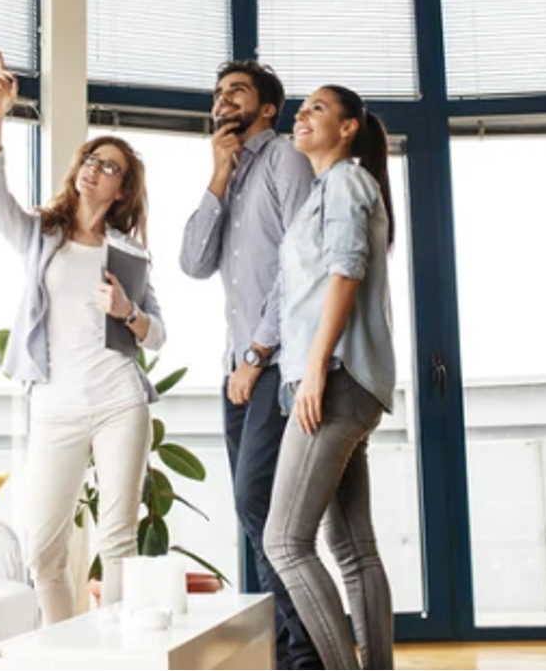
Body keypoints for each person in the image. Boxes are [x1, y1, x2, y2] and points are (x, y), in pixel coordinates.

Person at [0, 51, 166, 625]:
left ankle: (116, 659)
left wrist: (127, 309)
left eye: (109, 166)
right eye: (91, 157)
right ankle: (67, 653)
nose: (94, 167)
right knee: (43, 549)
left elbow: (156, 334)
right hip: (55, 406)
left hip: (118, 402)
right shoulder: (42, 233)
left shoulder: (129, 252)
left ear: (122, 188)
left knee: (117, 541)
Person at [179, 61, 320, 669]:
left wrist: (257, 354)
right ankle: (295, 651)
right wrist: (216, 175)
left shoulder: (285, 159)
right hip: (237, 371)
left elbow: (301, 267)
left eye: (235, 91)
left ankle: (309, 655)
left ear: (267, 108)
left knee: (261, 505)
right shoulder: (231, 174)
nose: (221, 100)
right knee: (257, 513)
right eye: (217, 93)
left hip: (276, 364)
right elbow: (192, 262)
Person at [264, 84, 398, 671]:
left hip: (335, 378)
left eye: (316, 108)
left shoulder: (345, 180)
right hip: (349, 381)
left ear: (348, 128)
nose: (302, 115)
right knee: (351, 546)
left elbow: (346, 271)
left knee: (285, 542)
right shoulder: (331, 188)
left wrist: (315, 368)